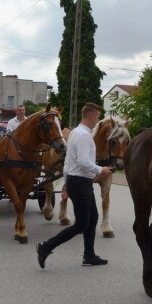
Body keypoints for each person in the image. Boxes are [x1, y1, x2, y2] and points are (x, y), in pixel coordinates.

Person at [37, 103, 112, 269]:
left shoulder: (75, 134)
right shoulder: (84, 136)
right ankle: (46, 246)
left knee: (92, 219)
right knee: (82, 224)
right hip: (80, 182)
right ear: (91, 116)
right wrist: (102, 170)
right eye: (97, 117)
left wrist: (66, 185)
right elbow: (84, 162)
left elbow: (68, 162)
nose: (97, 120)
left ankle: (89, 255)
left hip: (76, 180)